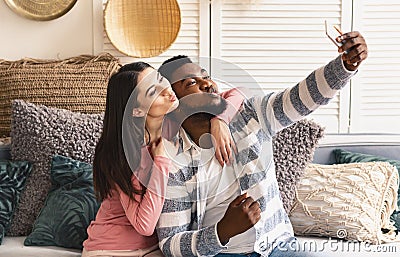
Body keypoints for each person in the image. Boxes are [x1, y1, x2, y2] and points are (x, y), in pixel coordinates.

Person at [156, 31, 368, 257]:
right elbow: (170, 243)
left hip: (278, 246)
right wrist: (221, 232)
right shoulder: (173, 161)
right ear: (173, 102)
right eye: (191, 83)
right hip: (222, 254)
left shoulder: (252, 115)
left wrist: (345, 66)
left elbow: (302, 98)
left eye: (206, 76)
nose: (208, 84)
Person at [82, 61, 244, 257]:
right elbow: (144, 225)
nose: (167, 90)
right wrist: (161, 160)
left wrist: (221, 121)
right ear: (137, 110)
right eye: (153, 92)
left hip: (155, 248)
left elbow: (238, 92)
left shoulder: (172, 120)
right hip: (111, 249)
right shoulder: (127, 152)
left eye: (160, 79)